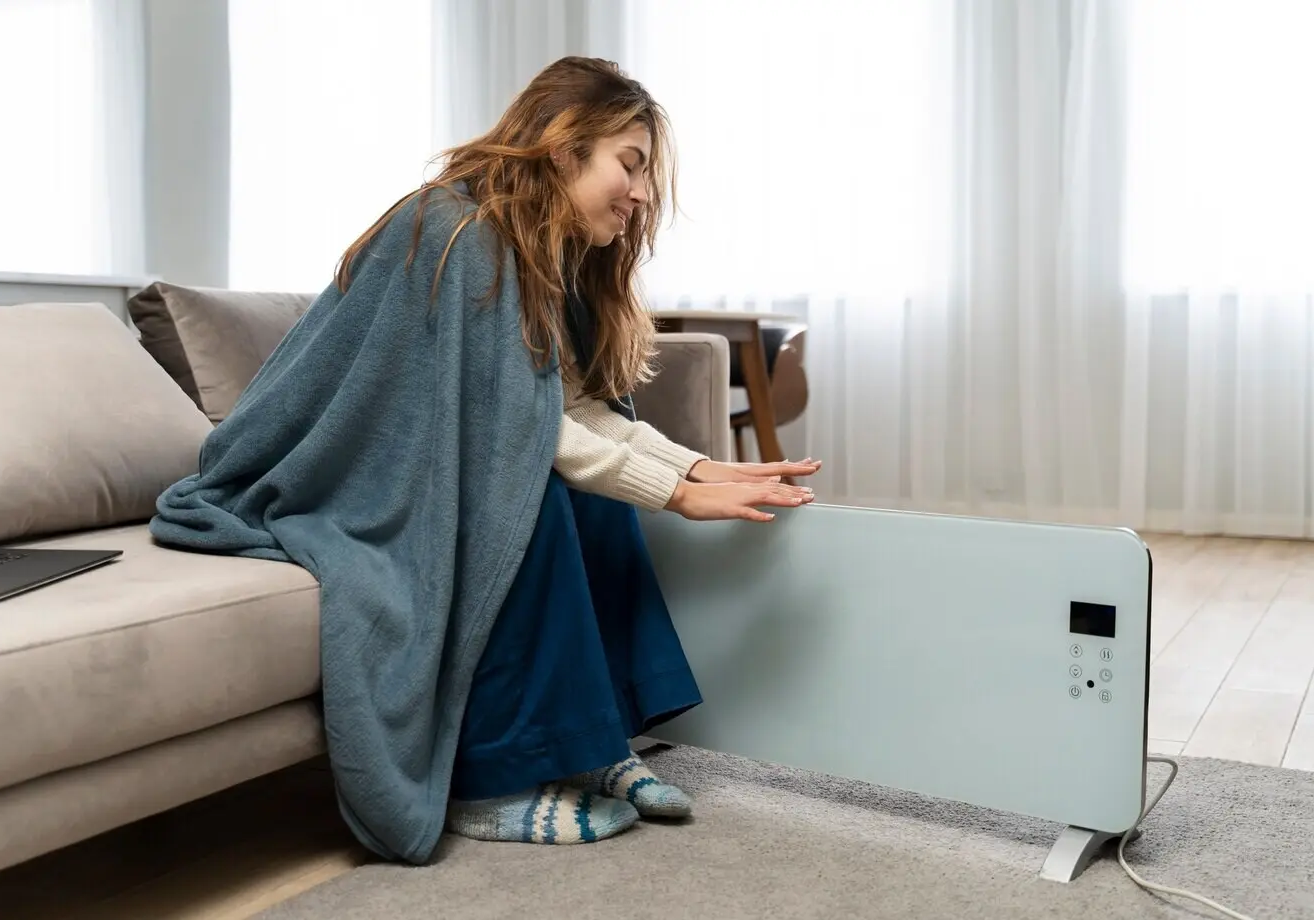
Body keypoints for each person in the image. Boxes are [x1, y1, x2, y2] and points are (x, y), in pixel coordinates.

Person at [151, 55, 821, 861]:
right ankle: (492, 779)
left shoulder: (537, 249)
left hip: (438, 452)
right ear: (566, 147)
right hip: (330, 467)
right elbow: (511, 435)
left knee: (578, 492)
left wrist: (694, 470)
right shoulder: (457, 231)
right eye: (630, 164)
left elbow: (560, 411)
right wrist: (676, 494)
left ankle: (593, 739)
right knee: (524, 496)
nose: (642, 192)